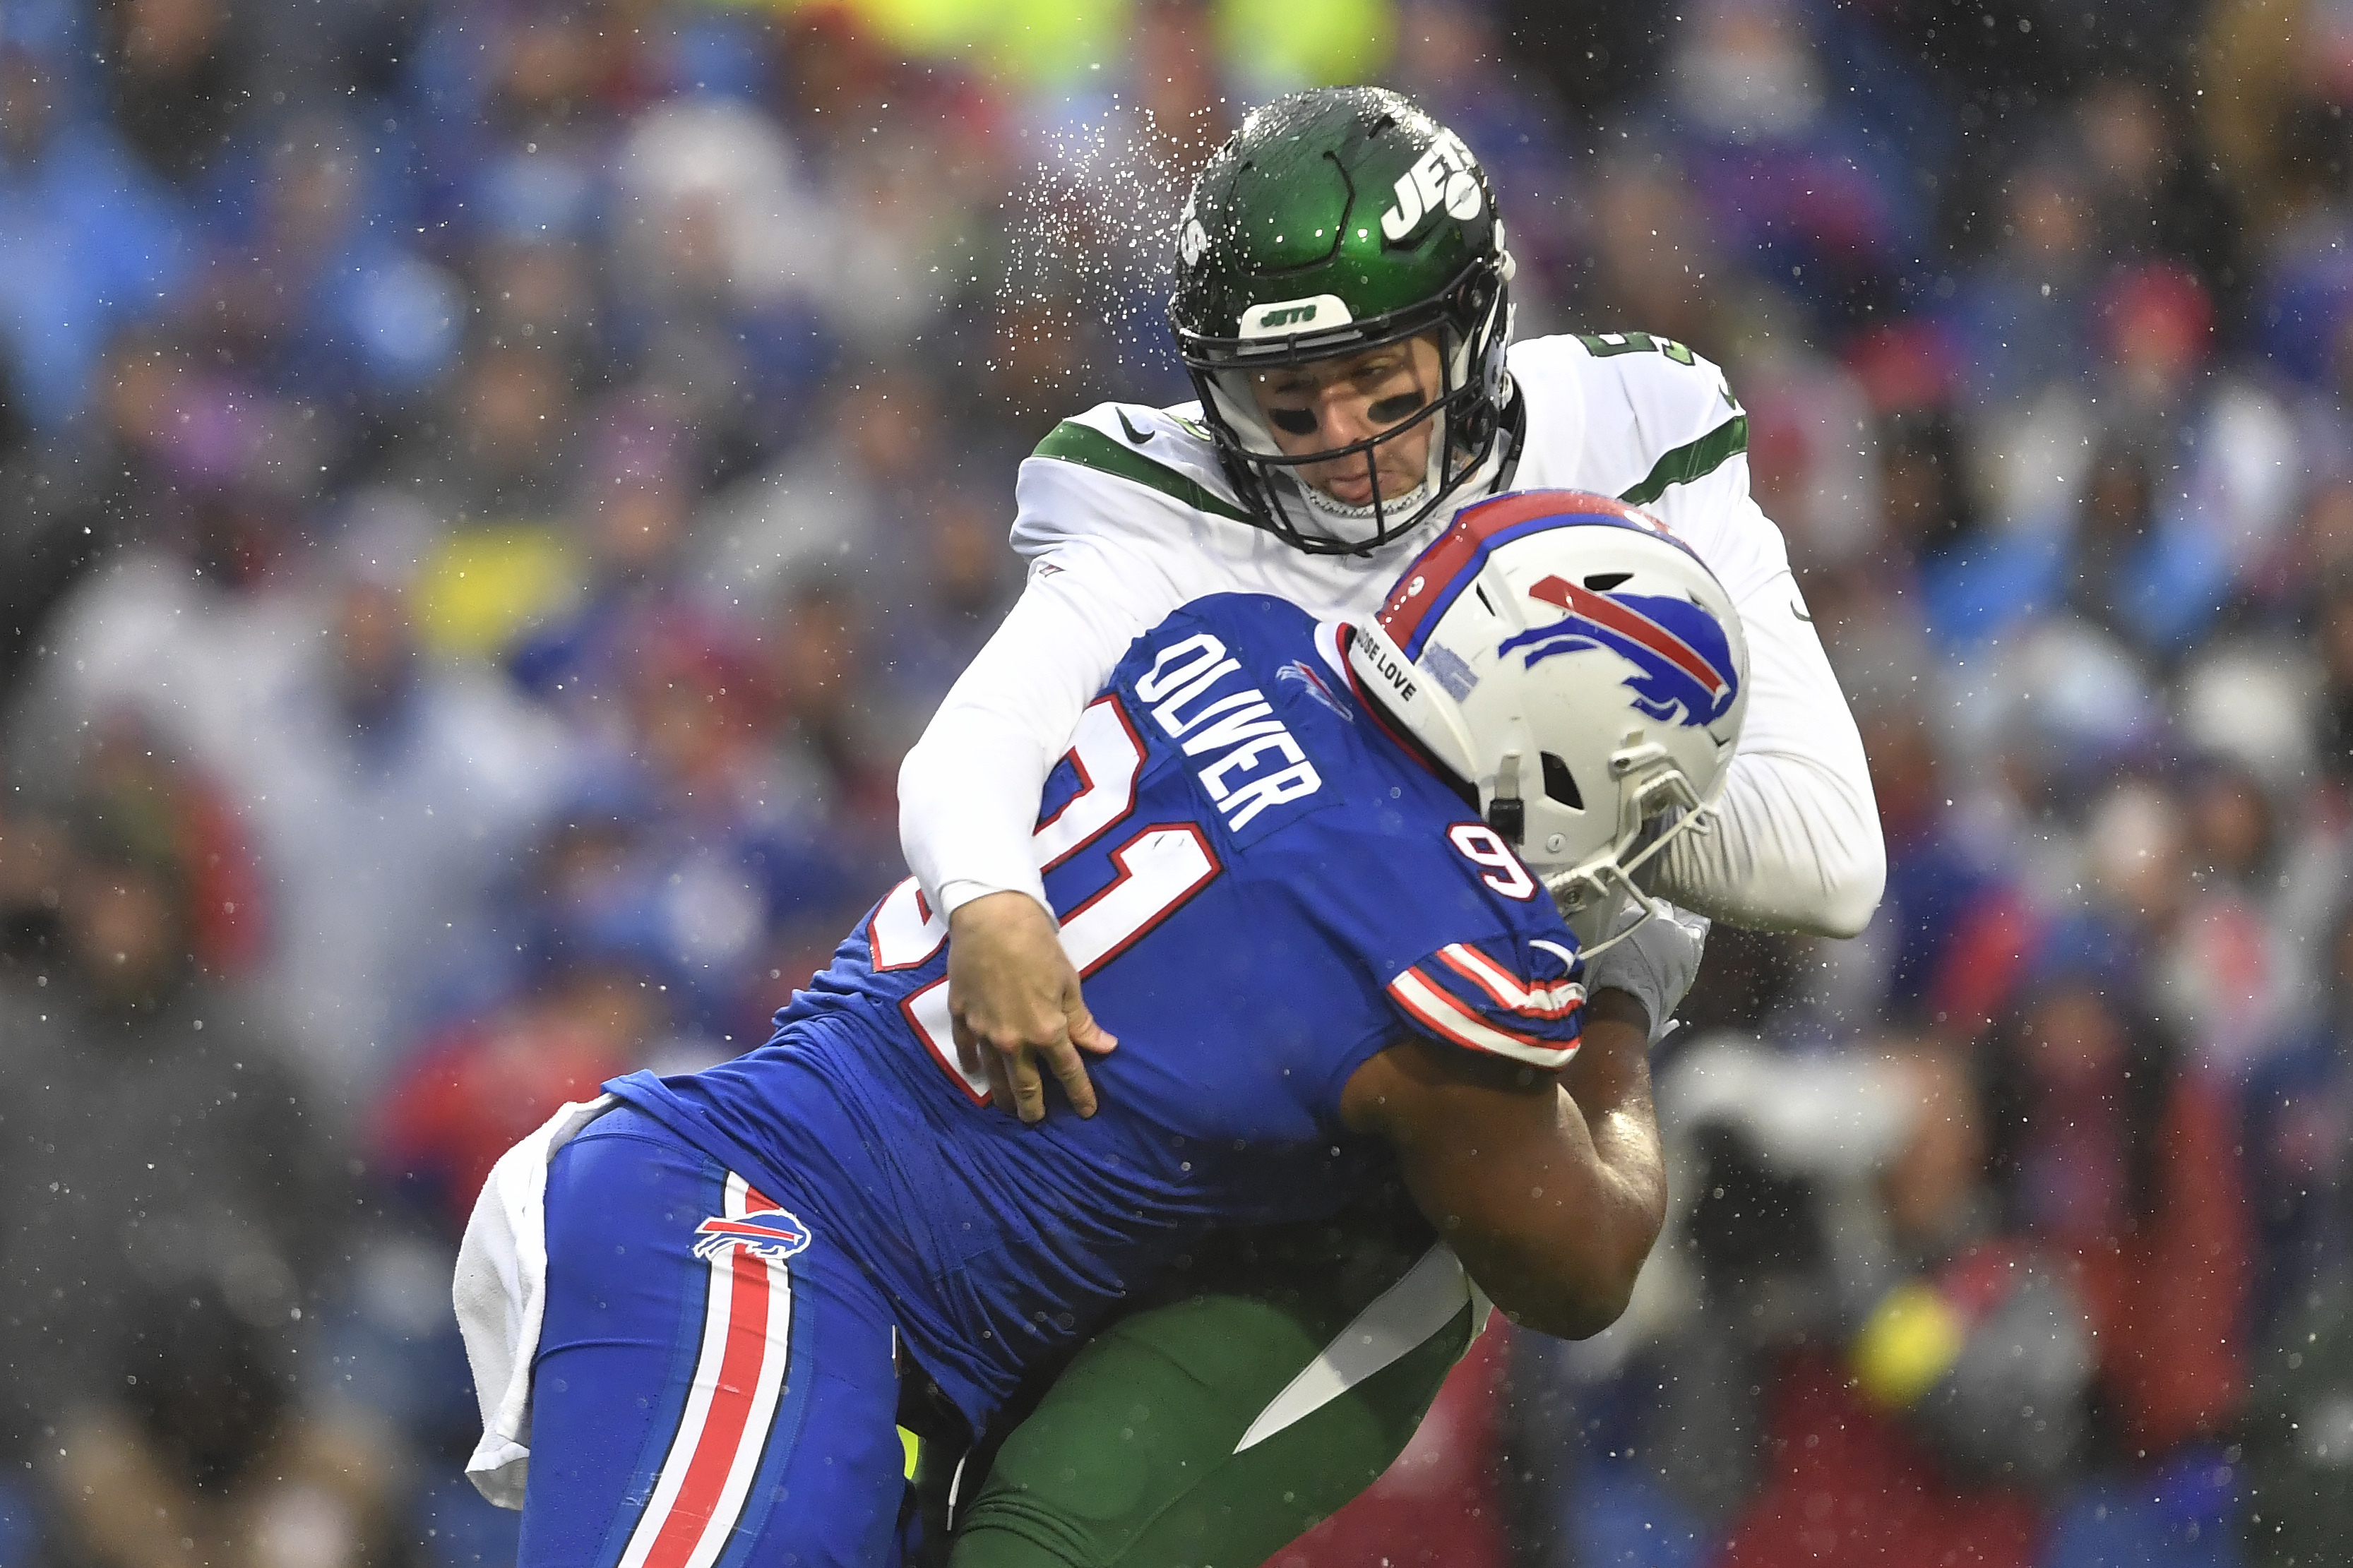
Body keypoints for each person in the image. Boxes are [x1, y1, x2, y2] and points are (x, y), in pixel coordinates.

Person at [893, 88, 1881, 1565]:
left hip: (1390, 1146)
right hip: (1121, 1106)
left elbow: (1825, 854)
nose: (1343, 439)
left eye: (1380, 379)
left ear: (1470, 333)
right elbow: (977, 746)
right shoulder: (1148, 493)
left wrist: (1433, 750)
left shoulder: (1631, 426)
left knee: (1048, 1549)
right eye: (1289, 400)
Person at [455, 497, 1744, 1568]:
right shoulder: (1438, 931)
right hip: (773, 1244)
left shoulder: (1240, 633)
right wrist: (1629, 989)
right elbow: (1583, 1262)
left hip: (802, 1267)